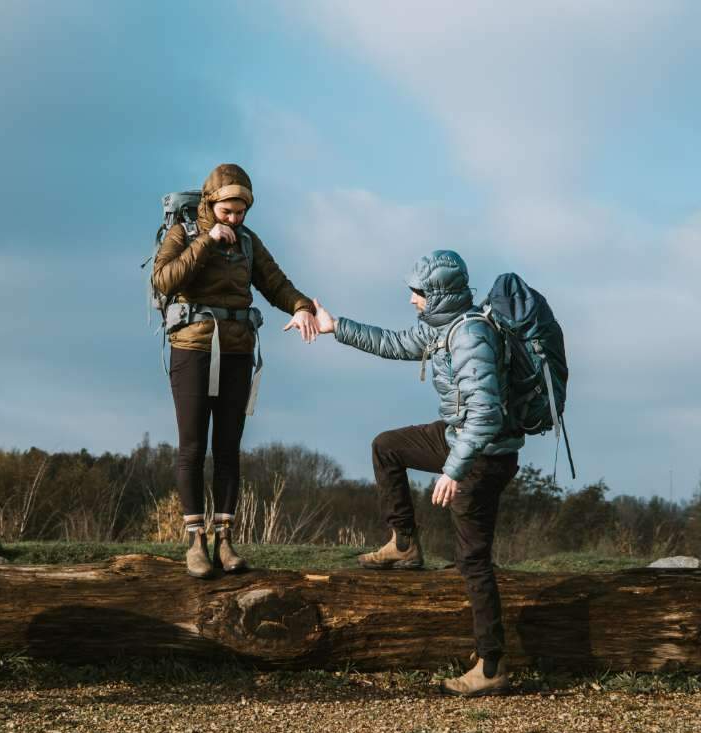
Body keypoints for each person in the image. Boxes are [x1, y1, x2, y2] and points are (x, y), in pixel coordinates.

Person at [312, 250, 523, 697]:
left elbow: (486, 414)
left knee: (472, 559)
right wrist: (336, 327)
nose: (412, 299)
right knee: (387, 446)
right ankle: (404, 544)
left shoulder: (470, 335)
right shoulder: (442, 328)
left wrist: (453, 470)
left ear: (440, 293)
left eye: (418, 292)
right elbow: (393, 342)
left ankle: (491, 666)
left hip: (484, 455)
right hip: (459, 438)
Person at [153, 164, 318, 579]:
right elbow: (163, 280)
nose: (233, 218)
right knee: (192, 447)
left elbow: (275, 283)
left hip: (238, 351)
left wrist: (301, 307)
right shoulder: (185, 234)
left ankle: (225, 540)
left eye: (240, 212)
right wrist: (206, 242)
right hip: (192, 349)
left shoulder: (248, 241)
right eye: (226, 211)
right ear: (210, 203)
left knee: (228, 447)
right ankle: (195, 541)